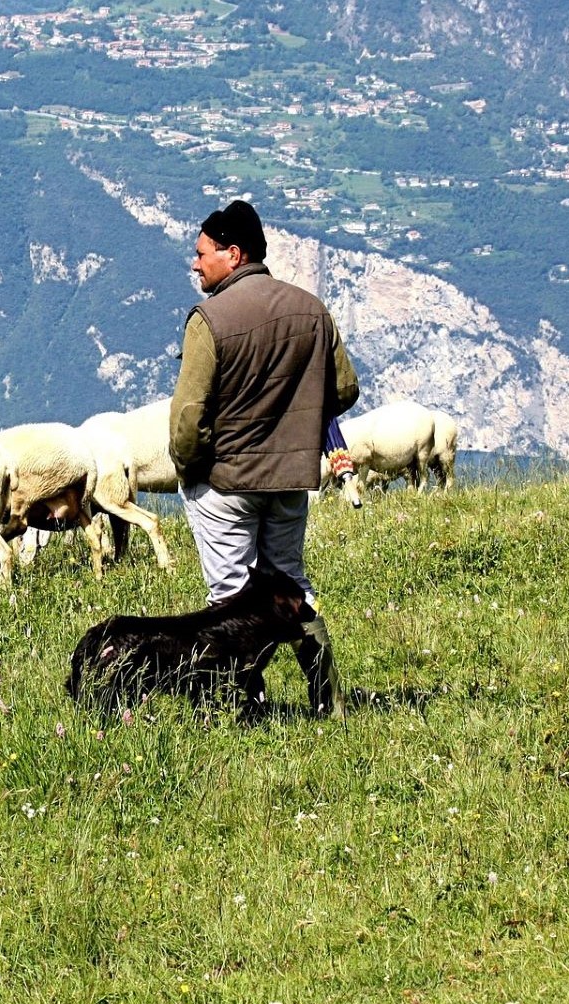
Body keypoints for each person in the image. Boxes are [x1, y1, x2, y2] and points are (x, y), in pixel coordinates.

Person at [168, 199, 359, 718]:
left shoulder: (210, 319)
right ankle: (329, 698)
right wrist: (292, 419)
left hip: (226, 482)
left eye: (202, 253)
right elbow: (343, 390)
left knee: (230, 595)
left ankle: (241, 704)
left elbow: (189, 416)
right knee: (290, 586)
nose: (195, 263)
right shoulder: (311, 310)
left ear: (233, 254)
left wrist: (190, 469)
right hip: (291, 480)